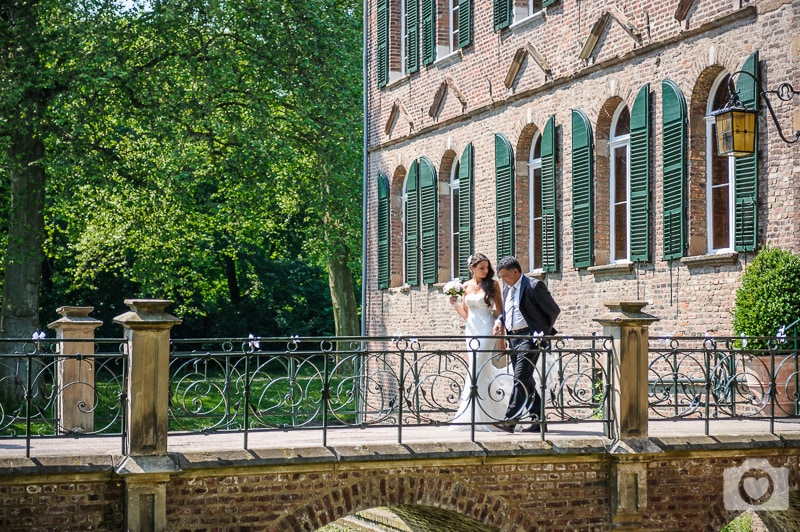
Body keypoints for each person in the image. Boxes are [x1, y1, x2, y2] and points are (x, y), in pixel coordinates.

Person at [492, 256, 560, 433]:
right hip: (513, 338)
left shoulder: (533, 285)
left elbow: (553, 310)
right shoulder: (507, 289)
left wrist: (540, 333)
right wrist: (500, 320)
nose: (504, 280)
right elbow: (508, 311)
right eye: (501, 277)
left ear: (516, 271)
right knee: (526, 380)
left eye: (506, 276)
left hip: (529, 338)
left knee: (520, 377)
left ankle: (509, 420)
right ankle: (538, 421)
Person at [448, 253, 511, 431]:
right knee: (478, 372)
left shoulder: (493, 285)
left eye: (486, 267)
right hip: (471, 330)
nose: (485, 271)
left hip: (486, 329)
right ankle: (480, 414)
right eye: (481, 268)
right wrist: (455, 304)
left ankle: (479, 417)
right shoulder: (465, 286)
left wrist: (501, 341)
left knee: (476, 369)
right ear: (472, 268)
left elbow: (501, 313)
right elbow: (467, 315)